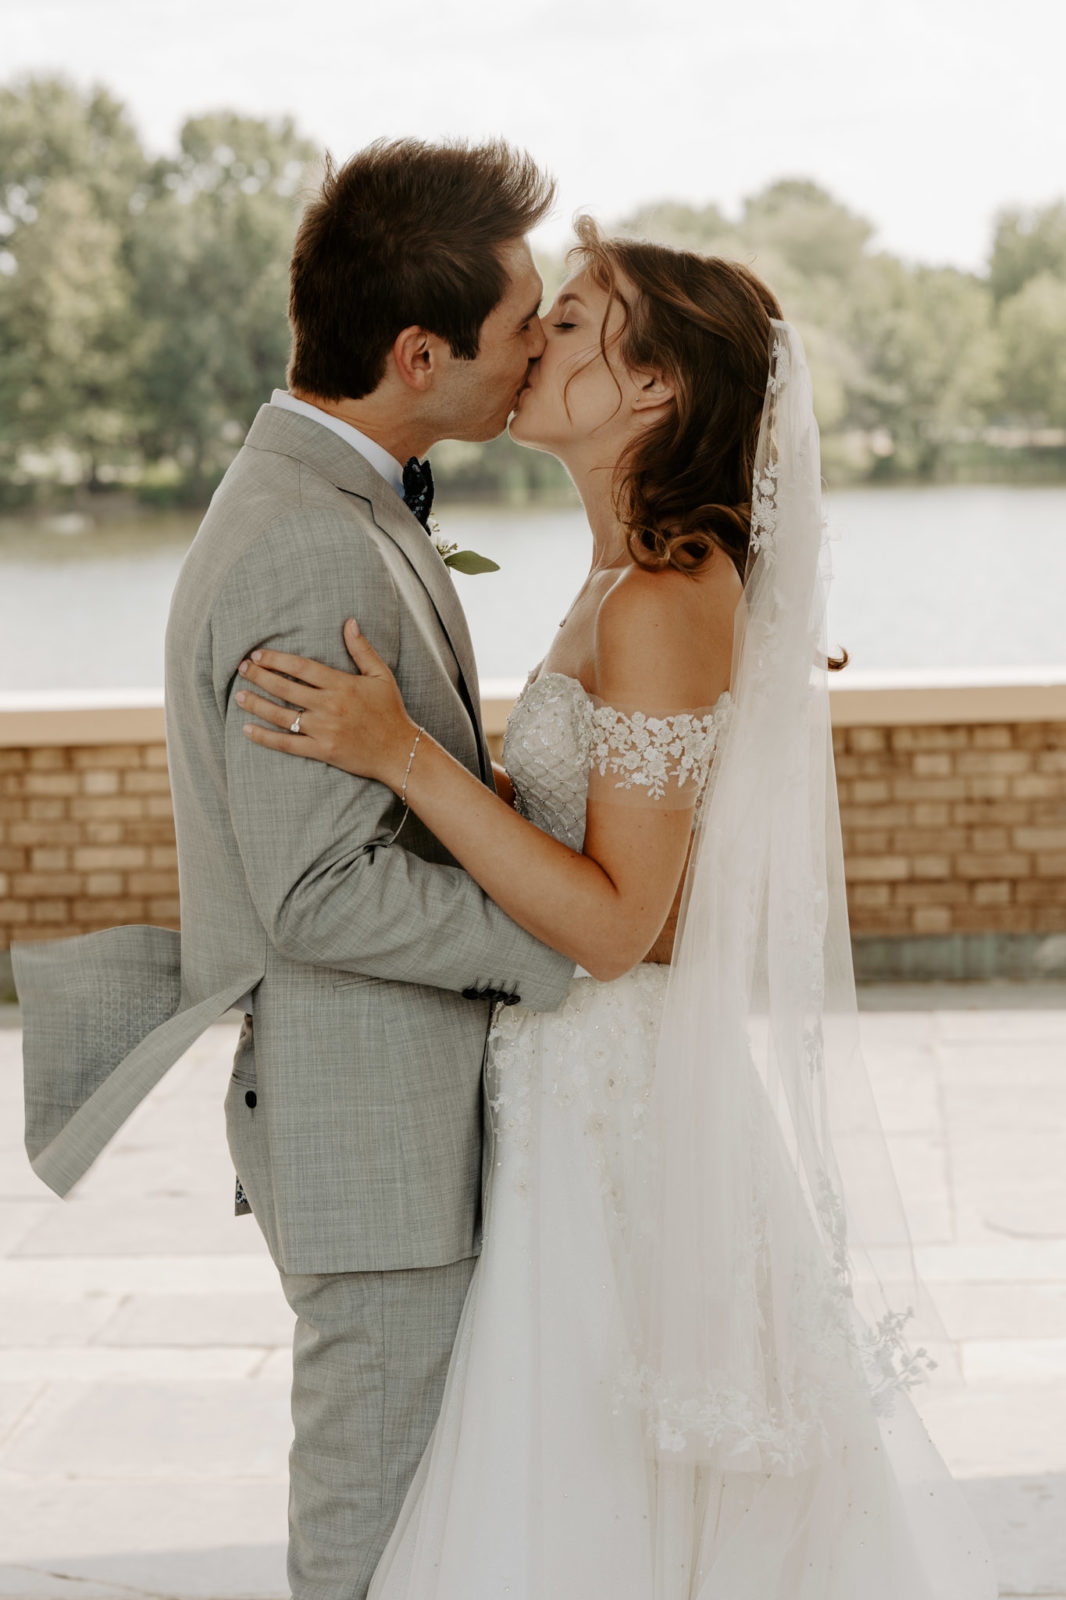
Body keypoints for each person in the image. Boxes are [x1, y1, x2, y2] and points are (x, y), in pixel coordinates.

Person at [233, 221, 999, 1597]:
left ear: (651, 391)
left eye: (572, 325)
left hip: (612, 1108)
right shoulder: (625, 579)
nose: (535, 341)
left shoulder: (658, 598)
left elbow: (621, 925)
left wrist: (401, 753)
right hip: (579, 1085)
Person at [14, 139, 577, 1600]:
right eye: (519, 324)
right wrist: (564, 937)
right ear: (414, 351)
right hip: (372, 1138)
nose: (536, 347)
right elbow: (315, 891)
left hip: (389, 1116)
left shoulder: (336, 502)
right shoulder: (299, 550)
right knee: (373, 1537)